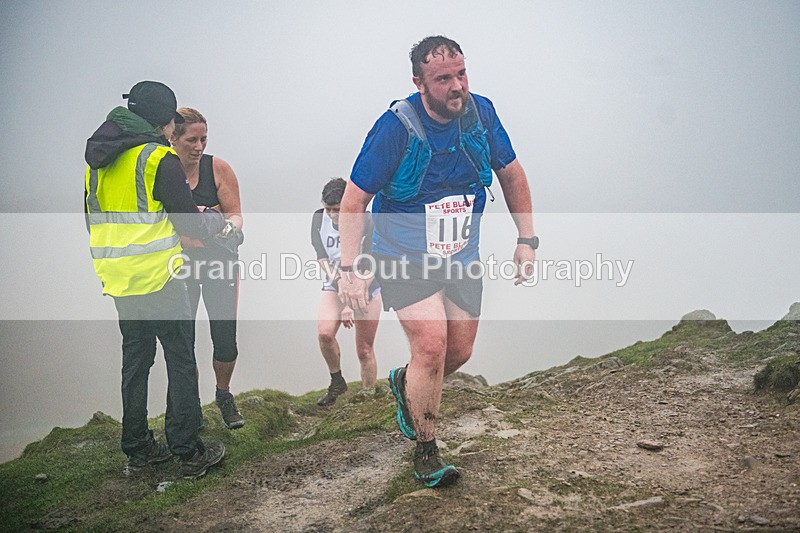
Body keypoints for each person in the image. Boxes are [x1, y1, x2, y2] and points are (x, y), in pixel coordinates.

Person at [338, 37, 537, 487]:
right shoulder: (395, 128)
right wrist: (349, 269)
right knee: (431, 345)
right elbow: (354, 201)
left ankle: (405, 383)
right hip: (404, 256)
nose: (457, 86)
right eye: (443, 78)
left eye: (461, 73)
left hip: (461, 254)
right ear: (419, 83)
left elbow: (511, 173)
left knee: (459, 351)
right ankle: (426, 450)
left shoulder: (481, 114)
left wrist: (527, 239)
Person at [84, 81, 227, 479]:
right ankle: (187, 450)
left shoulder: (98, 162)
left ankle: (138, 447)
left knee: (136, 361)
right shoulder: (157, 159)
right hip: (159, 276)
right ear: (164, 120)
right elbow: (192, 223)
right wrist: (214, 218)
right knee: (180, 358)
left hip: (118, 277)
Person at [170, 108, 245, 430]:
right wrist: (203, 219)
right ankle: (191, 404)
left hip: (219, 261)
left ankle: (224, 395)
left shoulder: (217, 168)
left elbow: (236, 216)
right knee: (183, 341)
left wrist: (218, 227)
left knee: (225, 338)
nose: (198, 146)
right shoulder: (163, 171)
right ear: (173, 138)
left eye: (203, 139)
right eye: (191, 140)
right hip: (179, 265)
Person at [311, 178, 384, 406]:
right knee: (325, 333)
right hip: (336, 281)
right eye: (329, 209)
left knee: (364, 349)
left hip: (367, 284)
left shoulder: (368, 220)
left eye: (338, 210)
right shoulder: (318, 219)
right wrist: (340, 282)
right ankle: (337, 381)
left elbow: (375, 260)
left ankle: (368, 397)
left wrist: (352, 298)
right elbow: (321, 257)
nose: (333, 215)